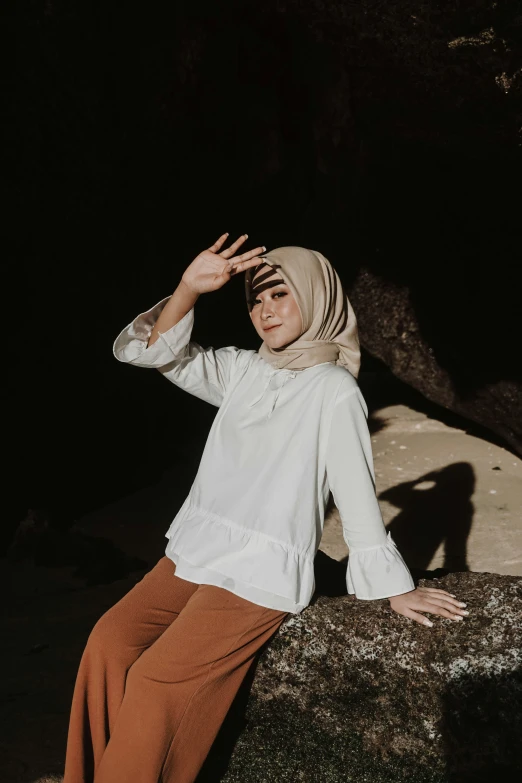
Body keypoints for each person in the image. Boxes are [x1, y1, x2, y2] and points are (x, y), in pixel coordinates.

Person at [63, 233, 468, 783]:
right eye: (255, 298)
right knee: (108, 643)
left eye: (279, 294)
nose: (264, 310)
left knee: (158, 680)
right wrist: (188, 288)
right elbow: (152, 352)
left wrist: (393, 586)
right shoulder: (244, 370)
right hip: (198, 551)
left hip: (259, 572)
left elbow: (354, 488)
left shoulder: (333, 389)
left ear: (316, 295)